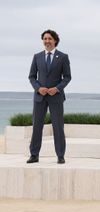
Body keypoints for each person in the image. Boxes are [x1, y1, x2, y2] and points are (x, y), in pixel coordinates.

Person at [27, 29, 71, 164]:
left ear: (55, 41)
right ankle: (34, 155)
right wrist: (38, 88)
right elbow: (32, 76)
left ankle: (60, 155)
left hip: (56, 97)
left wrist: (57, 88)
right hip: (39, 97)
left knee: (58, 126)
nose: (47, 41)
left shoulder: (63, 57)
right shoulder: (37, 56)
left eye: (49, 39)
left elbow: (67, 77)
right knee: (37, 126)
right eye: (45, 39)